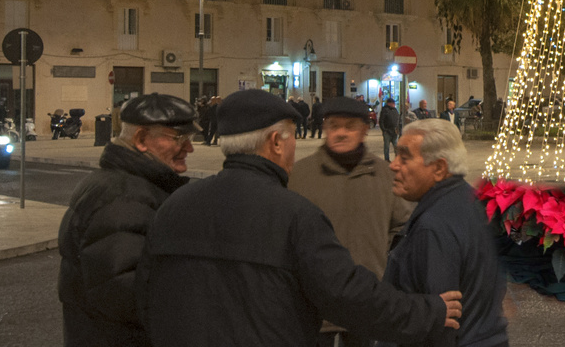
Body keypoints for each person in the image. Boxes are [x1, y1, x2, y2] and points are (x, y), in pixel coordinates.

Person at [140, 90, 458, 347]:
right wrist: (428, 311)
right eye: (292, 137)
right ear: (276, 143)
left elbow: (146, 297)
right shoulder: (295, 213)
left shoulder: (174, 206)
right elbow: (348, 294)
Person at [59, 93, 199, 347]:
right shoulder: (124, 196)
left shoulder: (125, 184)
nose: (189, 148)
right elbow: (123, 292)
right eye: (180, 139)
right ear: (141, 139)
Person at [289, 96, 409, 347]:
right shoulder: (299, 175)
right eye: (334, 125)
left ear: (365, 129)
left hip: (365, 300)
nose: (341, 133)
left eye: (350, 126)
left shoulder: (384, 175)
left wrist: (380, 258)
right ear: (324, 128)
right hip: (313, 302)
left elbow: (401, 225)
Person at [384, 119, 508, 347]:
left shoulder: (433, 226)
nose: (393, 165)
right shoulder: (472, 202)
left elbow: (441, 324)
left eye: (404, 157)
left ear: (439, 168)